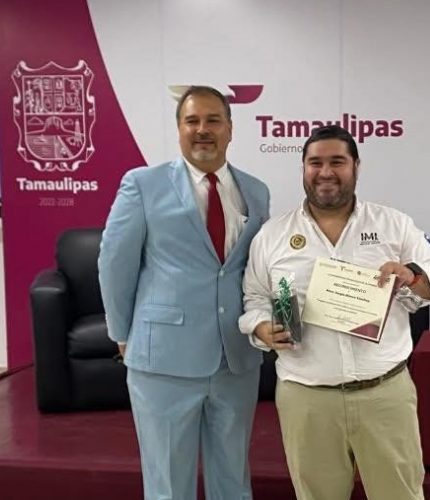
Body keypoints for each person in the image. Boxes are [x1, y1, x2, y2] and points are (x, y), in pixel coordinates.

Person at [238, 125, 430, 500]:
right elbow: (254, 297)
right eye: (315, 162)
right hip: (306, 398)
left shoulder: (392, 224)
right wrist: (260, 327)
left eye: (337, 161)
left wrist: (412, 275)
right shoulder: (271, 236)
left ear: (356, 166)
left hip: (384, 392)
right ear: (303, 168)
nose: (325, 172)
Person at [98, 86, 270, 500]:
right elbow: (114, 262)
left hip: (236, 359)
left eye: (213, 120)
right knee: (169, 485)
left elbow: (256, 270)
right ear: (179, 130)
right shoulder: (142, 184)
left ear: (230, 129)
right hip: (163, 359)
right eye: (192, 121)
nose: (202, 130)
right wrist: (122, 334)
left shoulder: (257, 191)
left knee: (233, 478)